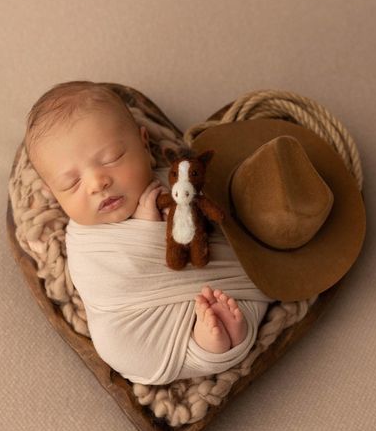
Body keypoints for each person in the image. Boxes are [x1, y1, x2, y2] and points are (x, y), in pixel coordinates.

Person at [24, 81, 271, 385]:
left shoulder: (174, 184)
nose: (97, 182)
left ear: (144, 145)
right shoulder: (83, 241)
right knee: (116, 345)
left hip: (224, 282)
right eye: (71, 183)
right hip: (138, 323)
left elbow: (217, 225)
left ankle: (222, 334)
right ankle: (204, 343)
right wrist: (148, 231)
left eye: (112, 158)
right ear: (55, 195)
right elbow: (108, 283)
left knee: (253, 271)